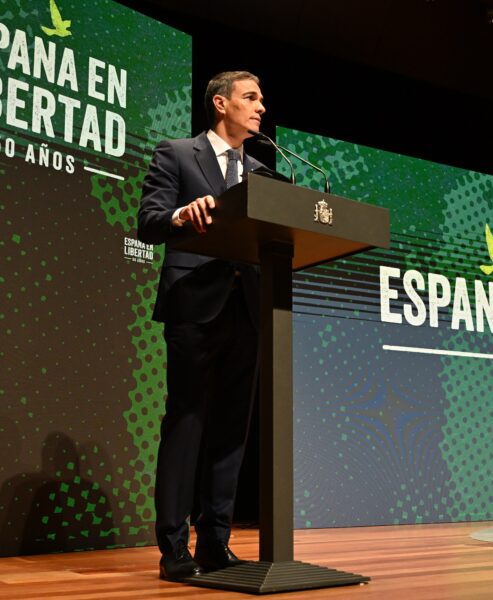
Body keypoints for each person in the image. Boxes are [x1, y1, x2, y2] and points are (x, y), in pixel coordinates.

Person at [137, 71, 266, 582]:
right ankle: (174, 549)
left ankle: (215, 542)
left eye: (262, 100)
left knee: (233, 430)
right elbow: (148, 220)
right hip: (194, 303)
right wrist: (179, 216)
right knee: (187, 421)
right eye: (251, 98)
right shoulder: (177, 153)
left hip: (248, 308)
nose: (260, 108)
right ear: (221, 103)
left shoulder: (262, 172)